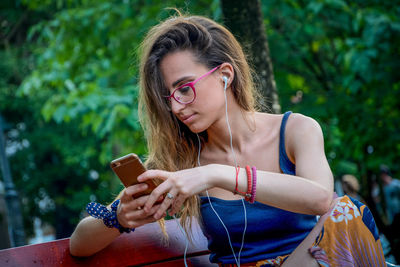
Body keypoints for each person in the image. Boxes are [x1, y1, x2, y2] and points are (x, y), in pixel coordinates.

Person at [70, 14, 386, 266]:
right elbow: (78, 244)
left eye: (184, 88)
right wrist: (120, 218)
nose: (177, 107)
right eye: (169, 97)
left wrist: (216, 174)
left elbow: (320, 199)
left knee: (348, 213)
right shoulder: (178, 161)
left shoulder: (296, 130)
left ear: (225, 74)